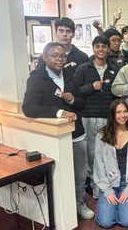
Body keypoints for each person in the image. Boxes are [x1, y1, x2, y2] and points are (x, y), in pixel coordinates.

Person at [23, 42, 94, 220]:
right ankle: (62, 209)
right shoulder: (36, 78)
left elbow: (82, 103)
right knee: (58, 175)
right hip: (53, 136)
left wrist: (72, 101)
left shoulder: (71, 76)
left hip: (76, 133)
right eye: (55, 55)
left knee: (79, 173)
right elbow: (29, 108)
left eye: (63, 56)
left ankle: (79, 202)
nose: (60, 59)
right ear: (45, 58)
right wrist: (59, 112)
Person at [75, 36, 121, 199]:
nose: (101, 49)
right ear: (93, 49)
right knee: (91, 154)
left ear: (109, 49)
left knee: (106, 154)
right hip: (88, 116)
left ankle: (106, 183)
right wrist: (91, 87)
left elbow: (118, 93)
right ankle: (95, 185)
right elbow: (75, 91)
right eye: (97, 46)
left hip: (108, 118)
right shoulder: (83, 68)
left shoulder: (114, 69)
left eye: (104, 46)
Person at [94, 100, 128, 228]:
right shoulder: (101, 135)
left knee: (126, 221)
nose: (123, 115)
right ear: (112, 115)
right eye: (118, 112)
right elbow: (99, 164)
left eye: (125, 111)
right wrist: (106, 190)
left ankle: (127, 207)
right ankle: (113, 207)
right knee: (105, 222)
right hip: (109, 182)